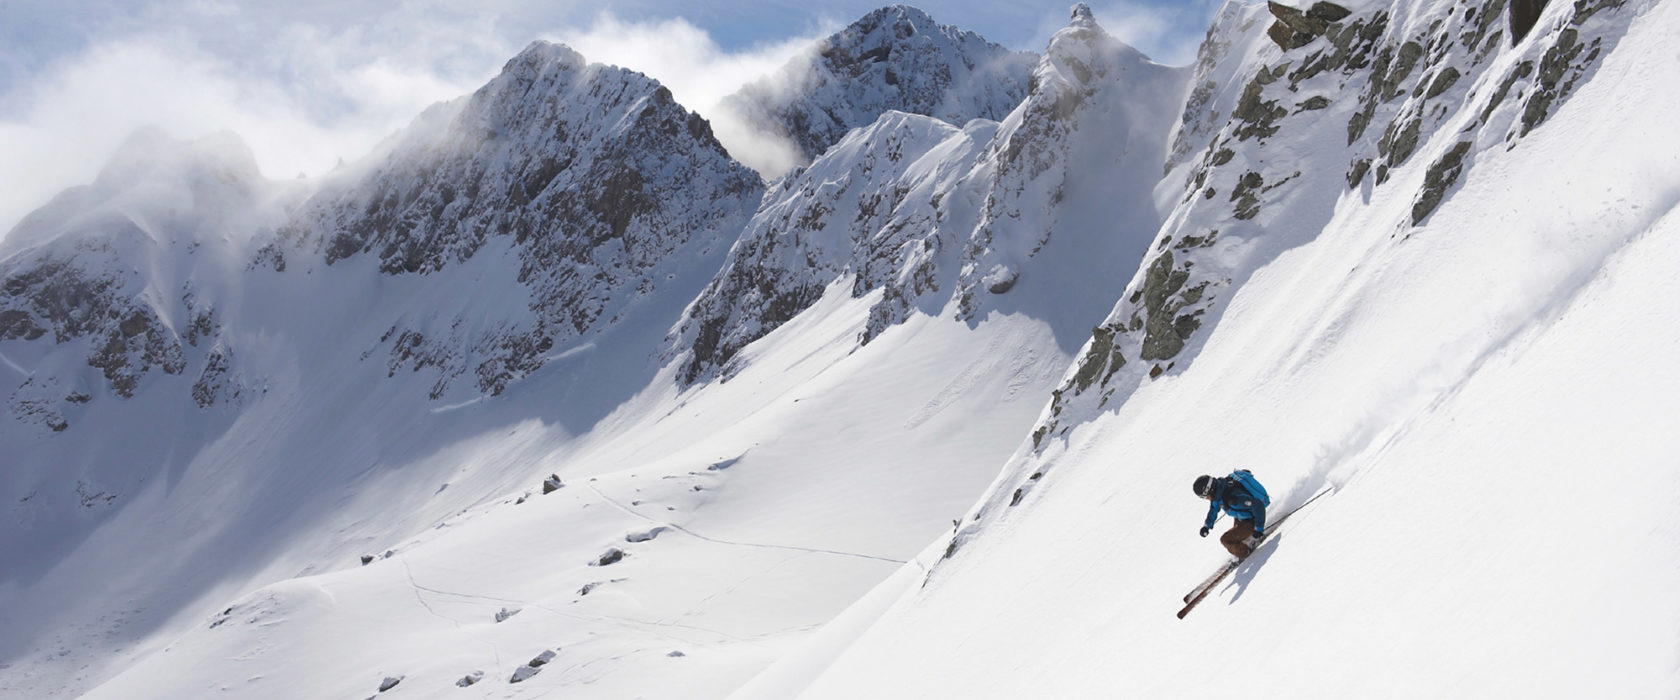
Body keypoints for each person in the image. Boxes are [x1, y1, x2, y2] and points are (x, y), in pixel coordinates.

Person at [1193, 470, 1270, 558]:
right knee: (1233, 535)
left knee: (1226, 540)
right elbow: (1214, 508)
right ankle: (1247, 541)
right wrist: (1207, 526)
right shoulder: (1220, 491)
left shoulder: (1234, 499)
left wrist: (1258, 529)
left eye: (1204, 496)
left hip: (1251, 520)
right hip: (1243, 517)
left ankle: (1245, 552)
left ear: (1209, 490)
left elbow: (1258, 505)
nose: (1206, 499)